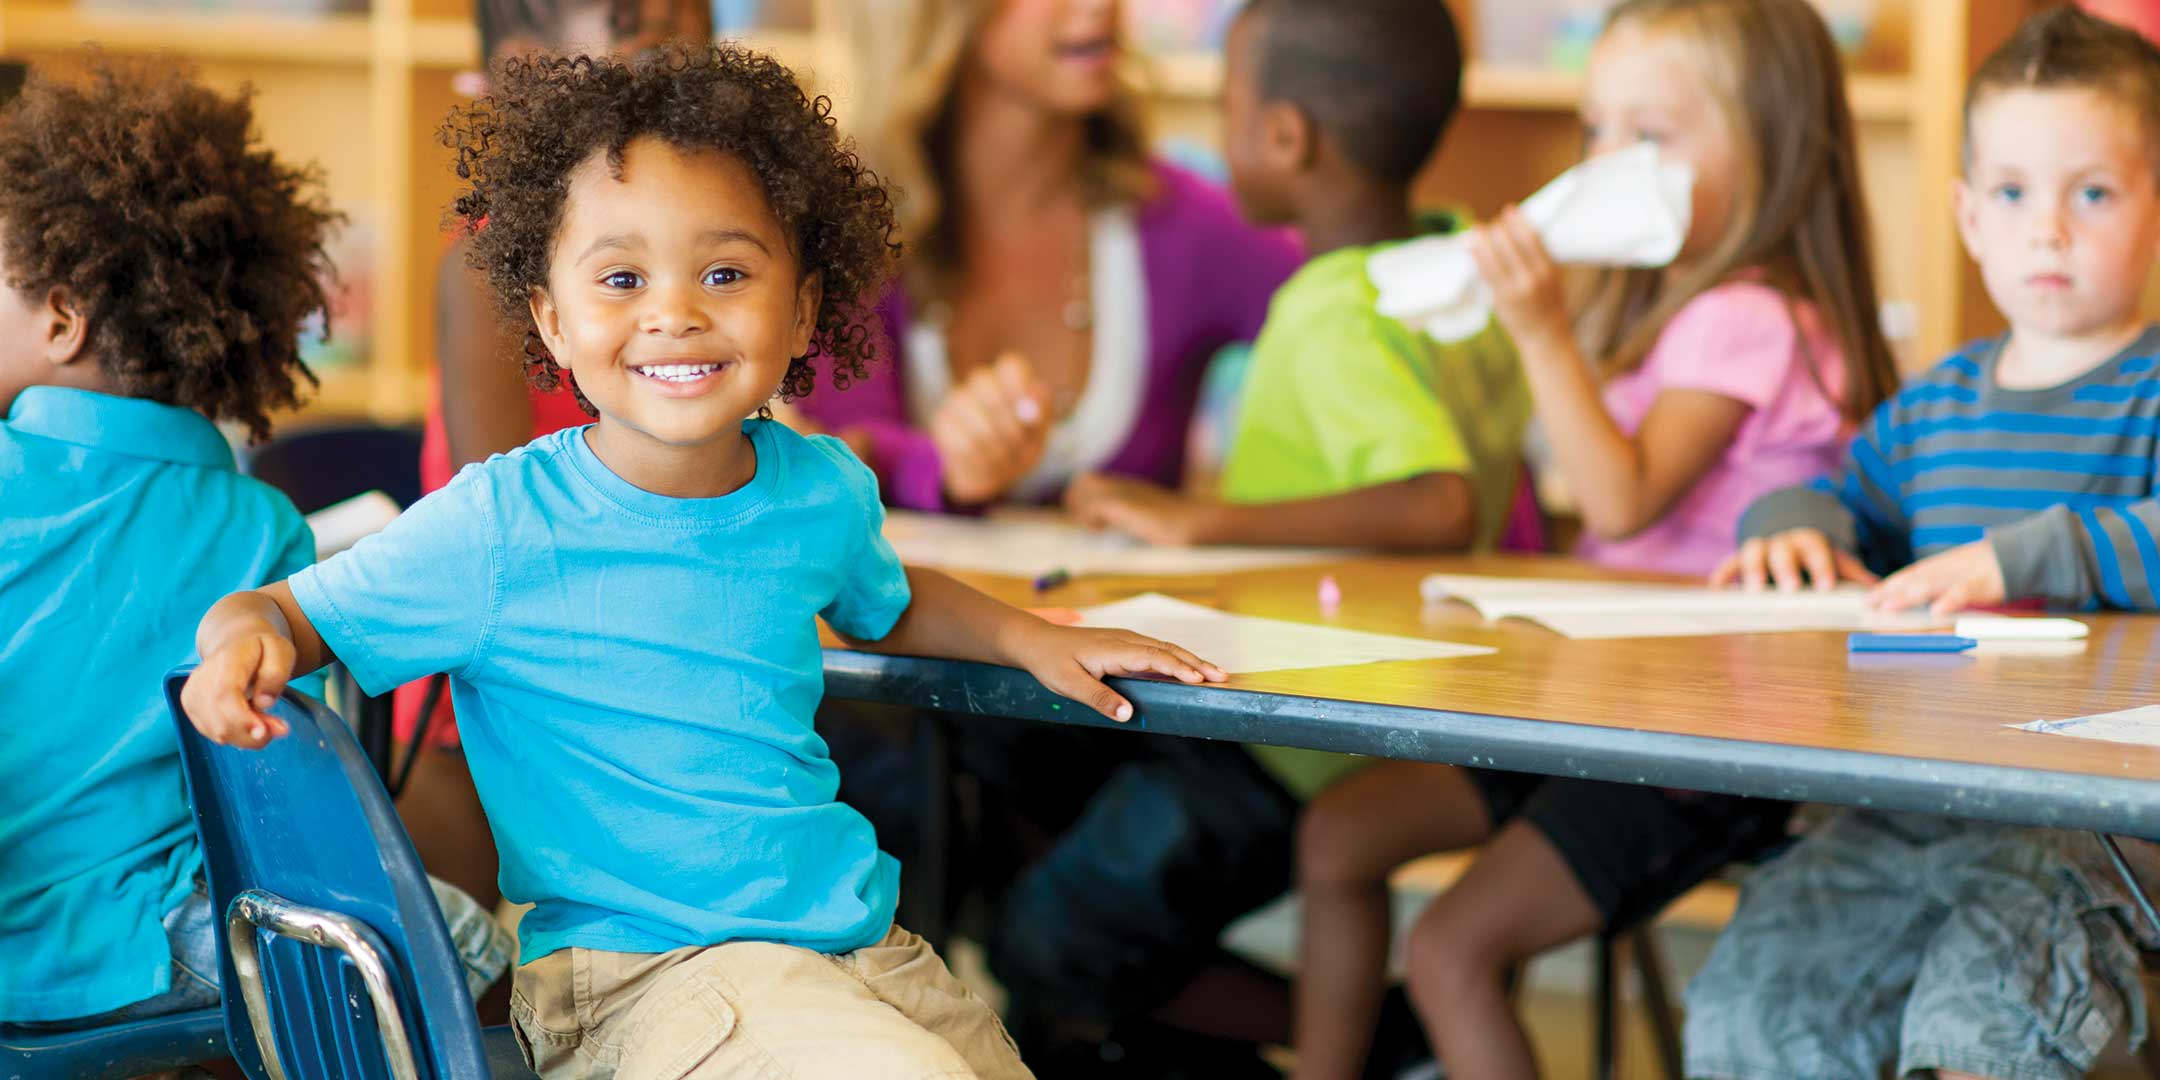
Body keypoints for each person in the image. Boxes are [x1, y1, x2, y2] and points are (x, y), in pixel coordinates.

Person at [182, 43, 1227, 1079]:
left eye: (725, 272)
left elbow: (890, 605)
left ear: (806, 307)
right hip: (648, 977)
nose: (674, 312)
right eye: (622, 277)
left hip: (859, 949)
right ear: (551, 318)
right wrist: (241, 644)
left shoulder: (818, 489)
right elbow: (286, 610)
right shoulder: (498, 524)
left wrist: (1033, 640)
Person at [1283, 0, 1899, 1074]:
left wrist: (1539, 328)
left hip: (1699, 742)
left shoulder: (1744, 315)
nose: (1610, 160)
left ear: (1774, 144)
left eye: (1649, 135)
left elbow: (1620, 503)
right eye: (1597, 129)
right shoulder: (1669, 309)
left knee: (1449, 948)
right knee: (1340, 836)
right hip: (1607, 706)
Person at [1690, 10, 2160, 1078]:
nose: (2048, 230)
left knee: (1982, 1032)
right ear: (1967, 215)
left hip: (2089, 831)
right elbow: (1832, 499)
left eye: (2092, 193)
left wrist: (2030, 555)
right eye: (2012, 193)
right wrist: (1789, 531)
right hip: (1905, 808)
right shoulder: (1931, 410)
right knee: (1752, 1013)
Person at [0, 61, 508, 1038]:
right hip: (163, 951)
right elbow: (278, 804)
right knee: (458, 946)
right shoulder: (258, 529)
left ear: (62, 319)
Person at [396, 0, 715, 911]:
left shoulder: (706, 272)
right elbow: (500, 511)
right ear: (521, 86)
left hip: (651, 663)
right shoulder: (489, 268)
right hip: (500, 691)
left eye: (686, 63)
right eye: (643, 63)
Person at [799, 0, 1303, 511]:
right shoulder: (842, 232)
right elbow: (839, 453)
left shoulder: (1189, 226)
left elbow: (1356, 308)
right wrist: (942, 468)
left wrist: (1213, 522)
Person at [1061, 0, 1526, 553]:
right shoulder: (1469, 264)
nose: (1220, 137)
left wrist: (1199, 522)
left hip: (1340, 627)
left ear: (1285, 138)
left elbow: (1442, 507)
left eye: (1226, 112)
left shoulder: (1332, 316)